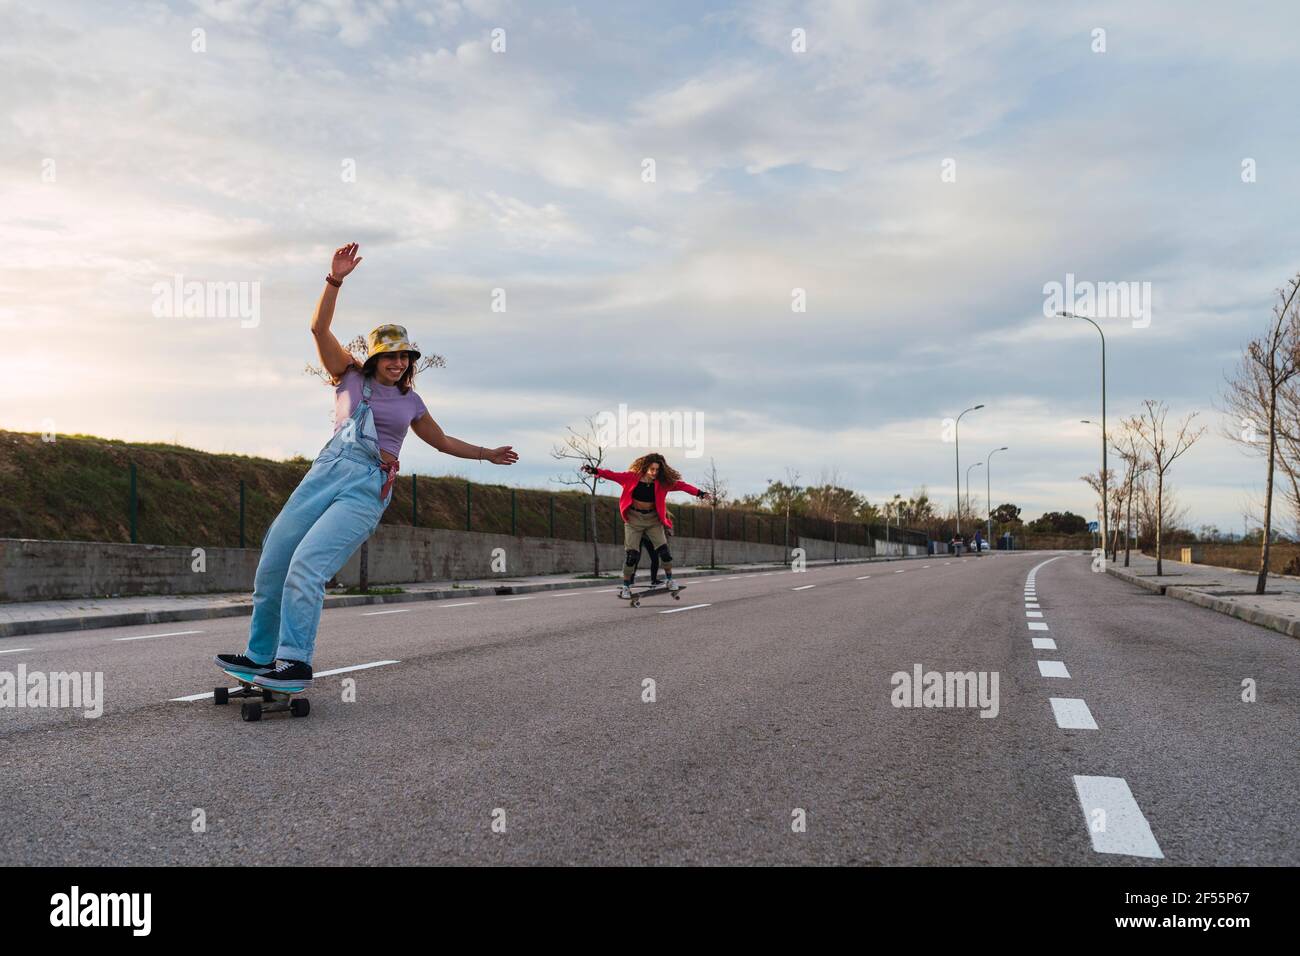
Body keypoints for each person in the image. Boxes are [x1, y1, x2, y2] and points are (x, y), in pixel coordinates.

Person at [215, 242, 518, 691]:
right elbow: (318, 328)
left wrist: (486, 453)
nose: (399, 363)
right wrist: (334, 279)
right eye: (391, 356)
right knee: (275, 559)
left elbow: (441, 441)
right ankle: (261, 655)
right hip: (325, 471)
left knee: (307, 567)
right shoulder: (349, 377)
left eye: (405, 357)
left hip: (365, 486)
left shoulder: (411, 401)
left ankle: (294, 661)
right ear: (375, 357)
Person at [582, 456, 710, 599]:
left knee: (664, 552)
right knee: (632, 556)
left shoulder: (662, 483)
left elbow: (682, 485)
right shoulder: (631, 477)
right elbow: (611, 475)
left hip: (653, 520)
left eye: (657, 470)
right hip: (634, 520)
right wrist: (594, 470)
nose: (654, 472)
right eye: (652, 469)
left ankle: (669, 580)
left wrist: (700, 493)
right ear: (645, 467)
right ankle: (626, 587)